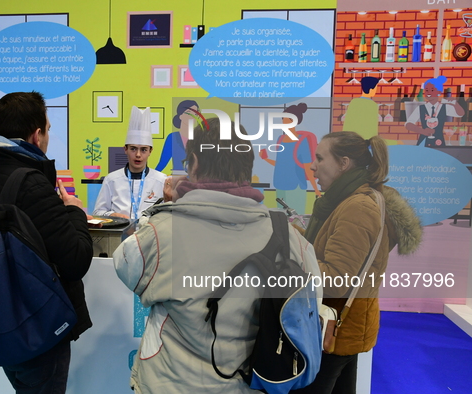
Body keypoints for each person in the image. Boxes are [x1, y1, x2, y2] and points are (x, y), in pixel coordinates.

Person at [113, 117, 320, 393]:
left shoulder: (161, 233)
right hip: (250, 384)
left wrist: (167, 204)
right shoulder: (288, 236)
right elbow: (310, 301)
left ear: (194, 164)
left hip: (171, 384)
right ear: (248, 167)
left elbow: (125, 266)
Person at [0, 91, 94, 393]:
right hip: (39, 328)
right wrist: (73, 211)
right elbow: (75, 260)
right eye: (47, 129)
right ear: (36, 135)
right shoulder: (31, 183)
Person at [290, 132, 422, 394]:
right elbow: (334, 254)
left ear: (344, 163)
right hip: (342, 327)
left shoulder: (357, 207)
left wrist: (293, 252)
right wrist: (295, 235)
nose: (313, 166)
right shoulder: (350, 201)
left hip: (335, 328)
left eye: (319, 157)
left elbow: (336, 280)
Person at [93, 106, 166, 220]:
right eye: (133, 149)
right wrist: (113, 215)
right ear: (125, 149)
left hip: (149, 235)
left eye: (143, 150)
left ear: (150, 151)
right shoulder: (111, 179)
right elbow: (98, 212)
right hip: (119, 235)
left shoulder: (161, 180)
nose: (138, 155)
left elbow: (167, 215)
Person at [259, 103, 320, 214]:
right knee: (281, 219)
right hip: (280, 185)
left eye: (288, 119)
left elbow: (307, 167)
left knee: (296, 220)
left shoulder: (302, 141)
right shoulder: (280, 139)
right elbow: (281, 164)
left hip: (295, 187)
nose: (284, 121)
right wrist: (265, 159)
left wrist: (316, 190)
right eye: (283, 119)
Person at [405, 75, 464, 148]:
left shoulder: (444, 107)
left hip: (439, 141)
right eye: (426, 90)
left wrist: (455, 103)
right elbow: (408, 124)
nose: (429, 93)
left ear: (439, 92)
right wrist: (422, 131)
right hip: (423, 142)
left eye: (432, 90)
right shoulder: (420, 108)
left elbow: (460, 114)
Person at [155, 99, 200, 174]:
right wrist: (150, 178)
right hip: (178, 179)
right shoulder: (172, 137)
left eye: (195, 114)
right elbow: (163, 162)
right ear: (180, 116)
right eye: (189, 113)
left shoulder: (199, 137)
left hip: (196, 180)